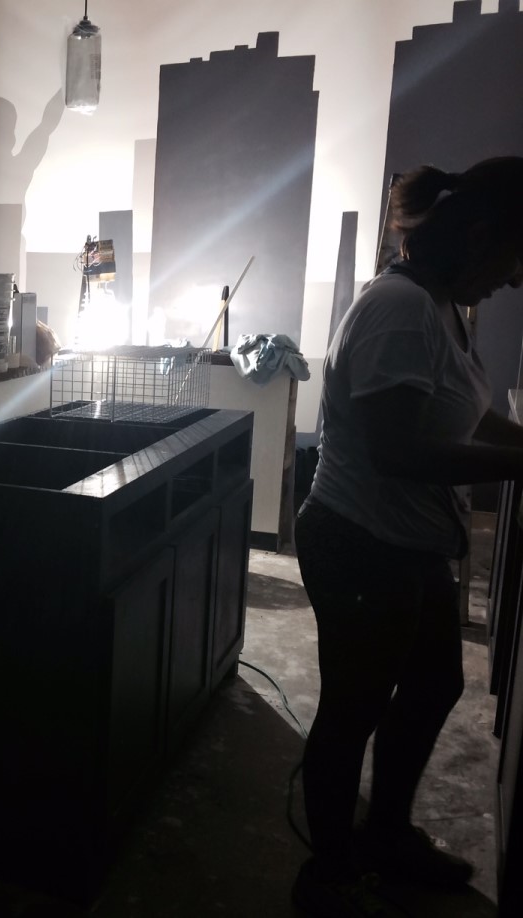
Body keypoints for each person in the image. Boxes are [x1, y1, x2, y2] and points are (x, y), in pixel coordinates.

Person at [292, 155, 523, 918]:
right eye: (515, 256)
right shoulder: (399, 308)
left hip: (409, 545)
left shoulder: (442, 307)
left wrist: (517, 440)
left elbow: (467, 410)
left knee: (433, 685)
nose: (516, 278)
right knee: (353, 709)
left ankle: (386, 834)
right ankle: (329, 871)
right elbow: (399, 452)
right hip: (359, 540)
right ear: (480, 237)